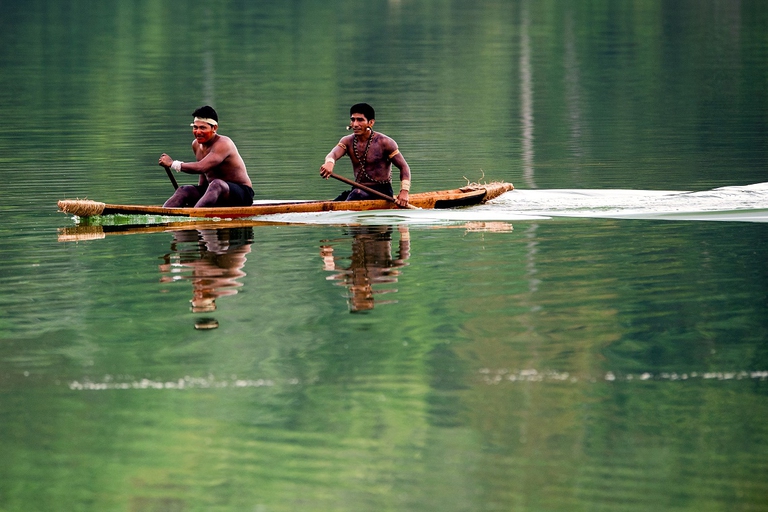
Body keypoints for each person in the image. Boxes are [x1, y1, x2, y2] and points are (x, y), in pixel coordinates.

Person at [158, 106, 254, 207]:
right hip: (214, 191)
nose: (198, 132)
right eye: (195, 127)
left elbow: (201, 167)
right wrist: (199, 196)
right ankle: (163, 215)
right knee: (184, 190)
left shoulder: (224, 144)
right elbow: (203, 174)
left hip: (241, 195)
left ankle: (194, 216)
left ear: (214, 128)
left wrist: (173, 164)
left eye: (203, 128)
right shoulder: (196, 144)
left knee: (216, 184)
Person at [319, 103, 411, 207]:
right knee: (335, 203)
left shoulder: (385, 142)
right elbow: (333, 154)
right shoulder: (347, 141)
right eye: (353, 120)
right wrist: (329, 163)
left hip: (382, 192)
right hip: (358, 189)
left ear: (371, 122)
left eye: (360, 120)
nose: (355, 124)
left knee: (356, 195)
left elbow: (404, 167)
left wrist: (404, 192)